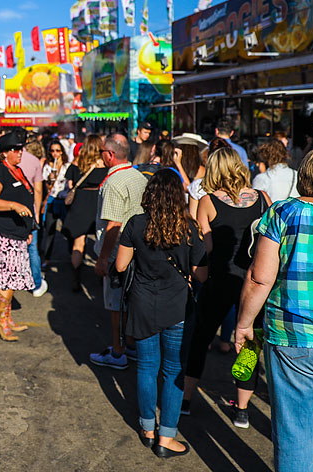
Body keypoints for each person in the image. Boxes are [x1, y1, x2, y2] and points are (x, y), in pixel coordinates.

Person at [234, 144, 313, 472]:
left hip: (293, 337)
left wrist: (244, 324)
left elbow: (259, 279)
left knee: (296, 437)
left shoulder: (283, 212)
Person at [115, 169, 208, 458]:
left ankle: (146, 428)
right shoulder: (189, 228)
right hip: (178, 307)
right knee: (173, 371)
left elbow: (120, 266)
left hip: (142, 304)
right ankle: (166, 437)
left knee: (146, 367)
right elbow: (201, 274)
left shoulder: (135, 223)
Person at [182, 146, 271, 428]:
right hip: (254, 281)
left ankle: (184, 400)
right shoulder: (262, 199)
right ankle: (242, 410)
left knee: (200, 338)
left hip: (219, 279)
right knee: (249, 344)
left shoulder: (207, 202)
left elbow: (207, 247)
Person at [90, 133, 148, 370]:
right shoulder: (137, 176)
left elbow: (113, 225)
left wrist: (103, 259)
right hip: (137, 250)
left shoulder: (114, 182)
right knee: (129, 302)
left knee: (116, 305)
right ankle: (130, 344)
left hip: (117, 254)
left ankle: (118, 351)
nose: (101, 155)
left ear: (110, 154)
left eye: (102, 151)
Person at [0, 131, 35, 342]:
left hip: (16, 234)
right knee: (5, 281)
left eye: (21, 148)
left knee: (11, 281)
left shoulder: (16, 170)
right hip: (1, 234)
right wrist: (14, 205)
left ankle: (7, 319)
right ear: (4, 153)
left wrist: (28, 229)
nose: (20, 152)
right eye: (15, 149)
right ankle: (0, 322)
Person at [62, 135, 108, 292]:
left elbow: (69, 184)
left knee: (78, 243)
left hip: (80, 203)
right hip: (98, 203)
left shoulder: (77, 162)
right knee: (101, 241)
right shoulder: (104, 164)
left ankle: (76, 277)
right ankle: (102, 277)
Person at [20, 135, 47, 296]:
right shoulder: (33, 161)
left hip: (10, 209)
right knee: (32, 248)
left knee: (15, 247)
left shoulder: (3, 161)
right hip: (29, 208)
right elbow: (38, 190)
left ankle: (15, 280)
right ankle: (36, 283)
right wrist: (36, 212)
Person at [40, 139, 70, 265]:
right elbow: (45, 187)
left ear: (62, 152)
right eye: (52, 151)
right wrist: (49, 181)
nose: (55, 154)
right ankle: (46, 258)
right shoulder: (47, 166)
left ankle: (73, 256)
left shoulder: (67, 167)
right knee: (49, 230)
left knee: (68, 229)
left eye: (58, 150)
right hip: (52, 199)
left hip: (63, 200)